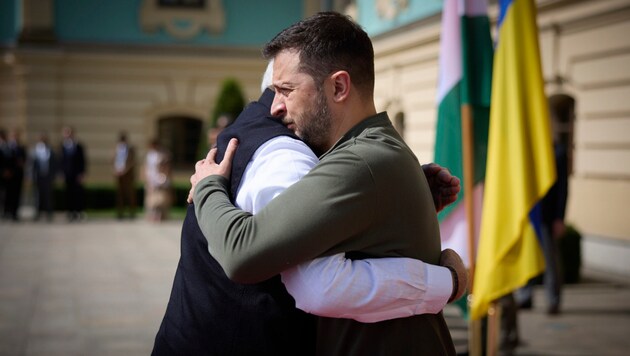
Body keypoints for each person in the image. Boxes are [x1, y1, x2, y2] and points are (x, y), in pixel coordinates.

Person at [153, 61, 466, 355]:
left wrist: (387, 203)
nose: (279, 104)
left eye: (286, 91)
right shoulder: (288, 156)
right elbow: (323, 286)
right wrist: (447, 281)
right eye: (280, 91)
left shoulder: (250, 127)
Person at [516, 94, 574, 316]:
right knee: (527, 255)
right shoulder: (529, 152)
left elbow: (563, 189)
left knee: (551, 260)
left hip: (548, 216)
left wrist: (560, 217)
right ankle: (525, 296)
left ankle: (554, 299)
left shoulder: (558, 153)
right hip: (530, 213)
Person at [60, 126, 87, 222]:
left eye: (69, 133)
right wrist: (62, 173)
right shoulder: (63, 147)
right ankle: (70, 212)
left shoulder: (78, 146)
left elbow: (83, 161)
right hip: (67, 174)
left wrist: (82, 173)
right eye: (66, 133)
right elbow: (61, 161)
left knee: (78, 194)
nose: (67, 135)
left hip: (77, 175)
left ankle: (78, 211)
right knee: (68, 194)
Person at [143, 139, 171, 222]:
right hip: (151, 178)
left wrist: (165, 176)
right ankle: (151, 214)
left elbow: (166, 166)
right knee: (151, 198)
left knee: (161, 198)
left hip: (160, 177)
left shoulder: (162, 154)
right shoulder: (149, 155)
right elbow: (146, 167)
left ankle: (162, 215)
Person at [31, 133, 57, 222]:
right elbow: (32, 165)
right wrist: (31, 176)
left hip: (48, 176)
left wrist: (54, 175)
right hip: (38, 176)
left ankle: (49, 214)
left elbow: (54, 164)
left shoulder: (50, 150)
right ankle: (37, 213)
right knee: (38, 196)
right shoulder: (35, 150)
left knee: (48, 196)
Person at [3, 128, 26, 221]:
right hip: (8, 175)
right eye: (13, 136)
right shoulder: (6, 148)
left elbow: (24, 160)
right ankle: (6, 212)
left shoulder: (21, 148)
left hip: (17, 175)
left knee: (16, 195)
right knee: (7, 195)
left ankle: (14, 213)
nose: (14, 137)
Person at [112, 131, 137, 219]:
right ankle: (120, 213)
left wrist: (125, 170)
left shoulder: (130, 149)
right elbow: (114, 161)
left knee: (129, 194)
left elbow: (132, 162)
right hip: (119, 175)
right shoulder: (117, 149)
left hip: (128, 175)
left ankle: (131, 212)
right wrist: (115, 170)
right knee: (120, 195)